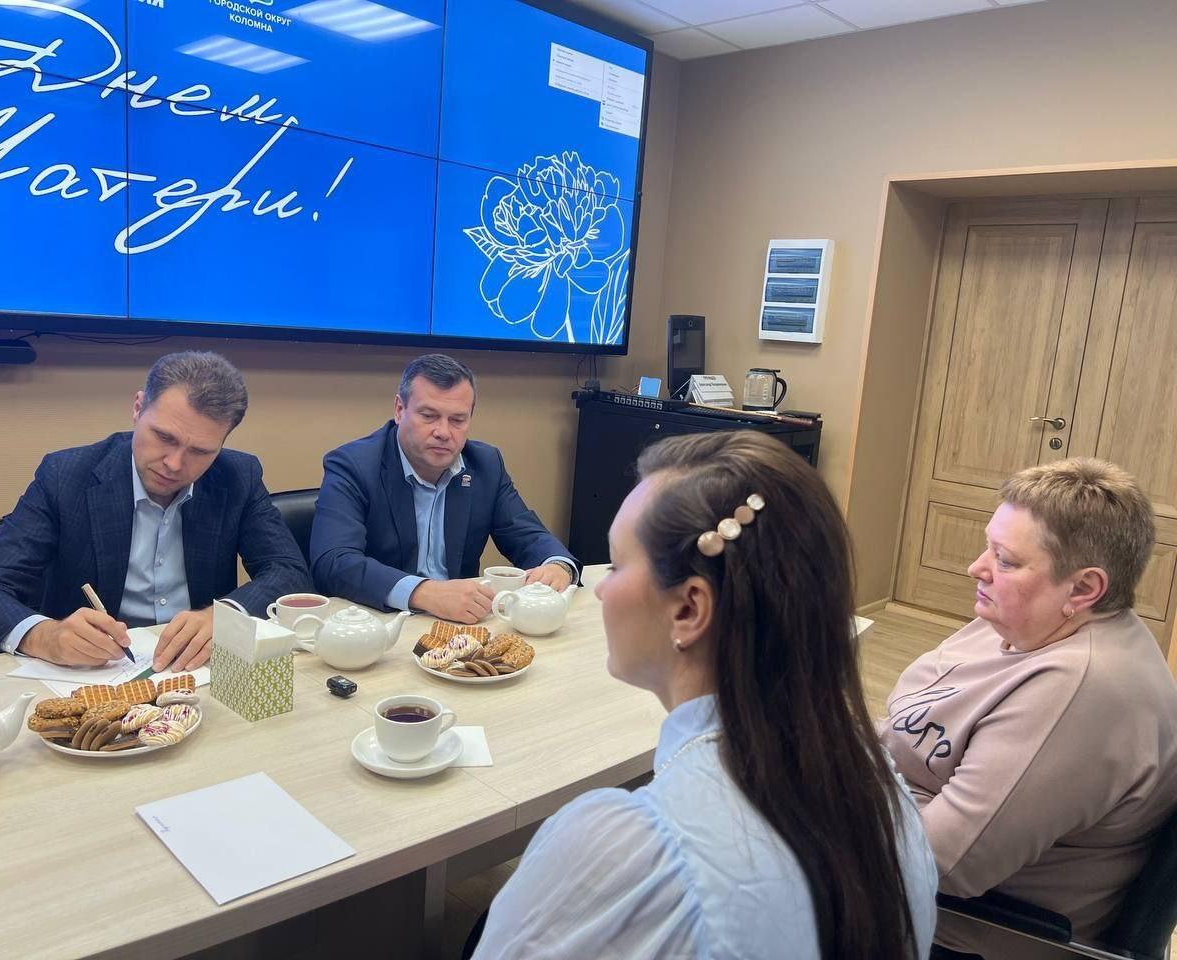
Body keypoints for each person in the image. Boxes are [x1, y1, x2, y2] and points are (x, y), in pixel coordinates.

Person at [470, 431, 937, 959]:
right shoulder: (884, 795)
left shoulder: (629, 855)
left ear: (689, 609)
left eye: (617, 565)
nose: (600, 588)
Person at [879, 458, 1177, 960]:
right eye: (989, 547)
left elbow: (945, 864)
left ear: (1083, 588)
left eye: (1005, 560)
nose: (977, 567)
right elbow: (907, 727)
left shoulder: (1080, 691)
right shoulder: (1017, 621)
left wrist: (832, 788)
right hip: (906, 865)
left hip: (964, 933)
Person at [0, 351, 311, 670]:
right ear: (138, 408)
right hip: (93, 674)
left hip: (198, 673)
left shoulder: (238, 476)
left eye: (200, 451)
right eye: (164, 437)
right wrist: (46, 636)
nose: (174, 464)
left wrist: (226, 616)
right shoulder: (66, 476)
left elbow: (289, 572)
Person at [310, 354, 577, 623]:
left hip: (462, 627)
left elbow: (528, 536)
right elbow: (334, 561)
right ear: (399, 409)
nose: (443, 432)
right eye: (429, 416)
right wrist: (424, 593)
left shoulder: (485, 465)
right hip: (378, 623)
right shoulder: (353, 465)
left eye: (457, 420)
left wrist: (557, 565)